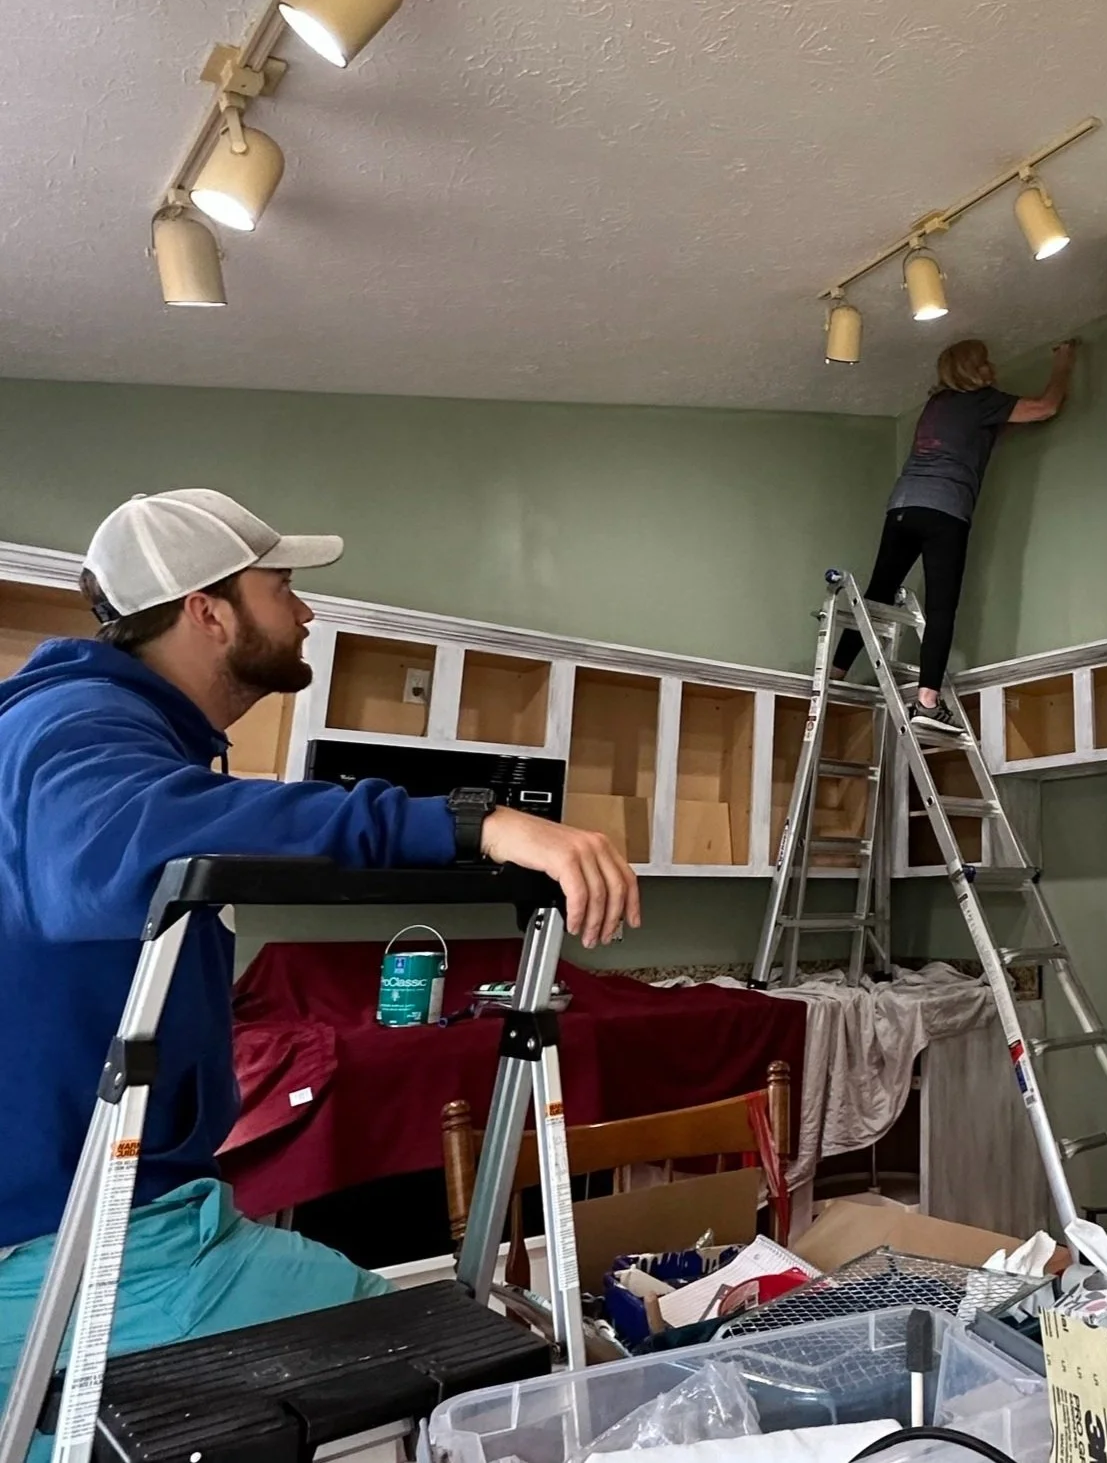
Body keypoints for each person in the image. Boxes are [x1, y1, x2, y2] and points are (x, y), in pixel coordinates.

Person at [0, 488, 640, 1442]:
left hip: (108, 1220)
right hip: (87, 1243)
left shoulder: (97, 730)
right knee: (452, 1393)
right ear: (207, 611)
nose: (305, 611)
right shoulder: (77, 726)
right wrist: (473, 823)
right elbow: (96, 853)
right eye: (283, 586)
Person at [832, 337, 1076, 731]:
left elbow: (978, 438)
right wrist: (1064, 362)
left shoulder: (936, 406)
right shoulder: (983, 401)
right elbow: (1046, 407)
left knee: (877, 595)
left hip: (902, 506)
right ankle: (927, 700)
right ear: (975, 370)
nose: (991, 367)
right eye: (986, 362)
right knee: (942, 605)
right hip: (944, 511)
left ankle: (837, 674)